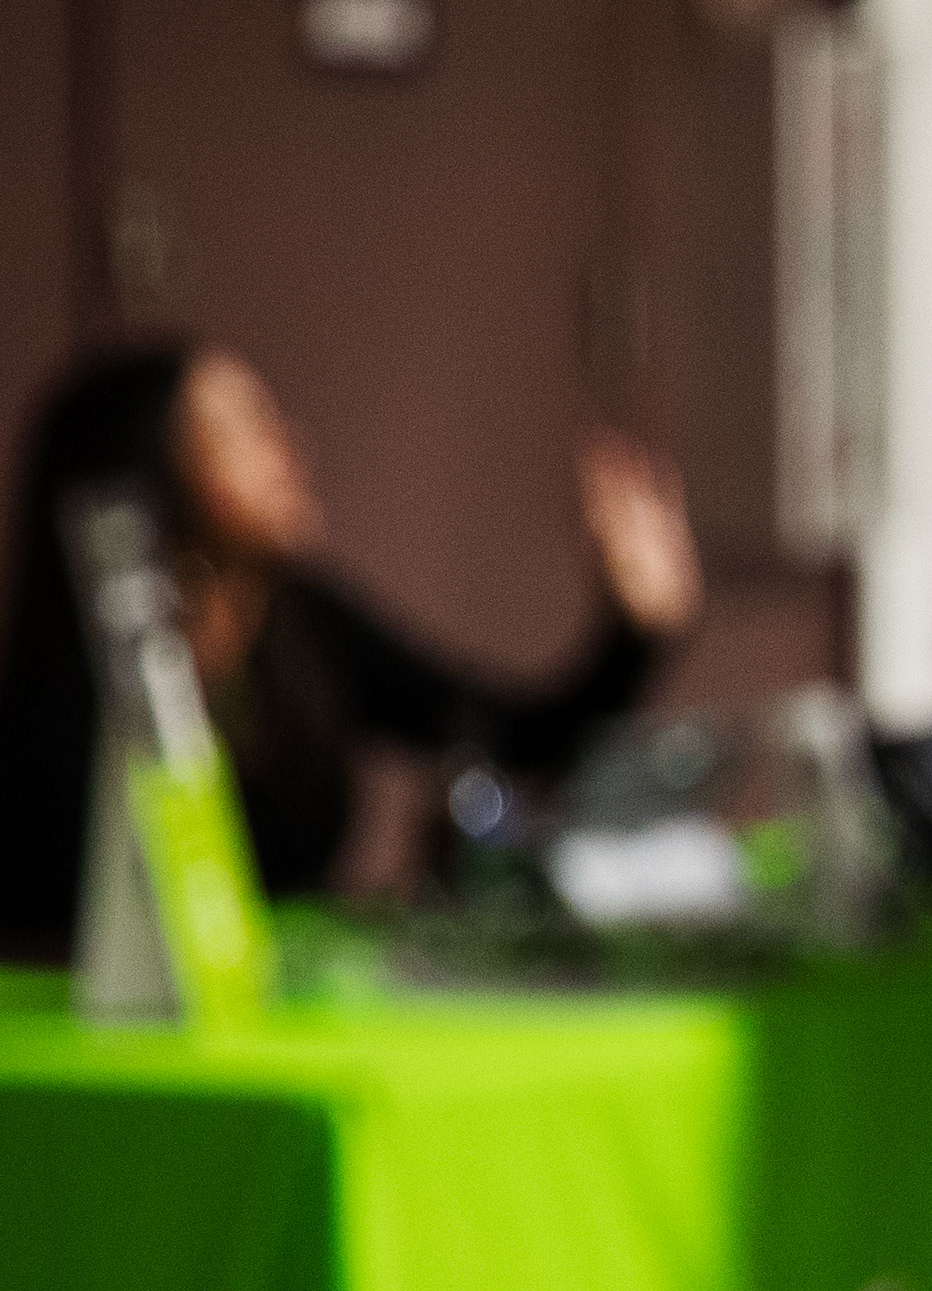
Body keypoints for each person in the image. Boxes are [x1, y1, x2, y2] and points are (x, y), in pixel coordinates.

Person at [0, 335, 695, 956]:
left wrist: (633, 635)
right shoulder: (71, 687)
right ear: (153, 468)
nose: (287, 445)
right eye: (244, 427)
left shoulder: (302, 625)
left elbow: (507, 734)